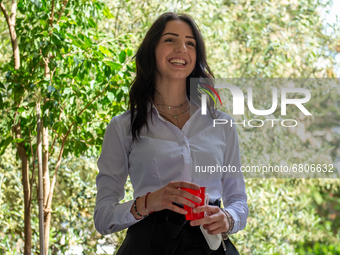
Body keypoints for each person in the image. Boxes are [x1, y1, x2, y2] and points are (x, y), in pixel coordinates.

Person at [94, 12, 248, 255]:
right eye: (170, 40)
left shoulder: (222, 124)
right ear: (152, 50)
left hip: (209, 247)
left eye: (190, 43)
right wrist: (149, 202)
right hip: (148, 247)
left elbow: (238, 200)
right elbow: (103, 218)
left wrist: (228, 218)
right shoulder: (122, 126)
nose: (181, 49)